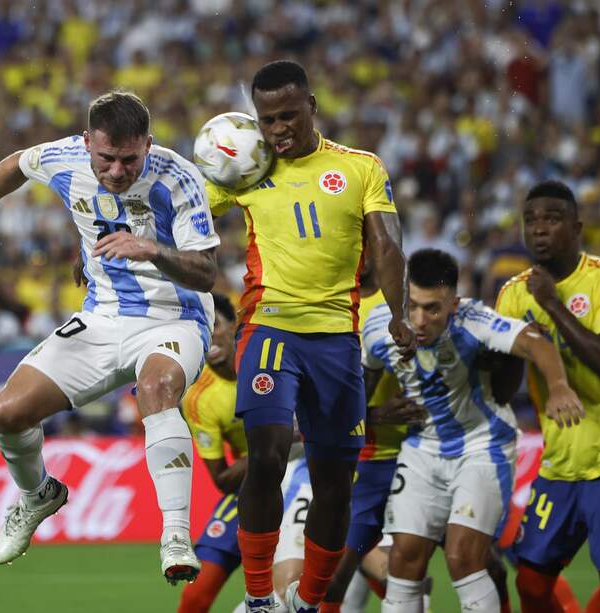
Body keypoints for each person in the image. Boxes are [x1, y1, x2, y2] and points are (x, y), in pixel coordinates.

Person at [0, 91, 219, 583]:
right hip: (103, 317)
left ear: (149, 144)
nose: (119, 170)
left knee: (156, 391)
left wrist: (149, 249)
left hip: (176, 317)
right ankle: (39, 495)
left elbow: (207, 272)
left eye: (131, 158)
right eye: (107, 158)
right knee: (7, 412)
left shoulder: (179, 177)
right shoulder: (64, 156)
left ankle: (175, 535)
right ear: (87, 143)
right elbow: (16, 164)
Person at [207, 60, 415, 613]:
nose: (279, 129)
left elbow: (388, 245)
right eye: (268, 119)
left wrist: (399, 312)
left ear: (312, 106)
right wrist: (113, 248)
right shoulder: (246, 170)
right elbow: (181, 218)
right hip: (270, 327)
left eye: (289, 115)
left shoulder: (359, 168)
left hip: (337, 340)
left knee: (333, 481)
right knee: (269, 453)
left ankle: (309, 601)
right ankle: (257, 598)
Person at [364, 248, 583, 612]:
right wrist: (372, 415)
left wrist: (559, 386)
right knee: (404, 559)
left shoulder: (474, 319)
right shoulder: (377, 326)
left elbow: (536, 343)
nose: (419, 319)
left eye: (432, 308)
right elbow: (362, 382)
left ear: (453, 303)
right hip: (421, 450)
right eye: (412, 305)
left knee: (463, 556)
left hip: (482, 445)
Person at [496, 180, 600, 613]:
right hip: (560, 464)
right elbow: (503, 387)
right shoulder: (512, 294)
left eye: (551, 218)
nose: (539, 229)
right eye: (530, 220)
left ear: (577, 226)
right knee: (530, 586)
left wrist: (551, 306)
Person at [178, 293, 314, 612]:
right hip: (253, 479)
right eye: (198, 329)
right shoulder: (199, 397)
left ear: (235, 324)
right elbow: (223, 480)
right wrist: (273, 441)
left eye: (214, 325)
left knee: (343, 572)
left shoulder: (274, 353)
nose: (207, 336)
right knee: (195, 595)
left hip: (306, 469)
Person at [321, 263, 427, 613]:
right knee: (337, 575)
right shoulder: (332, 308)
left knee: (473, 561)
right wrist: (378, 415)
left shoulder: (406, 304)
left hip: (425, 451)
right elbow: (323, 406)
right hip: (366, 459)